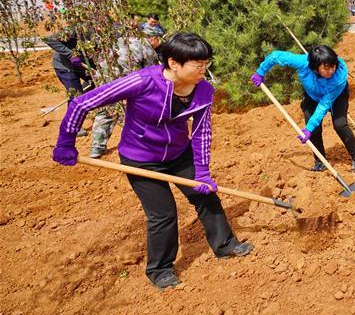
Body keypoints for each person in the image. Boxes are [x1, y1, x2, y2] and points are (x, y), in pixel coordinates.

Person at [51, 33, 253, 290]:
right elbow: (82, 103)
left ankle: (225, 244)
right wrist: (65, 141)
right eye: (198, 64)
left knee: (205, 195)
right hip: (140, 159)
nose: (204, 70)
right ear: (174, 63)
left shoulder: (203, 90)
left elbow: (202, 132)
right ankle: (160, 270)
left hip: (179, 152)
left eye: (206, 63)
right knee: (163, 213)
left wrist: (202, 172)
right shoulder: (143, 81)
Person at [251, 44, 355, 176]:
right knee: (314, 130)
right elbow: (276, 56)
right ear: (315, 67)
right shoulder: (302, 62)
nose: (331, 71)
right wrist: (261, 71)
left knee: (340, 125)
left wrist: (308, 128)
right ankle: (320, 161)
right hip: (312, 95)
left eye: (333, 66)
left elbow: (323, 105)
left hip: (336, 96)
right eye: (326, 68)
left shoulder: (337, 79)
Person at [89, 20, 160, 158]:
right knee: (139, 112)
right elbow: (151, 70)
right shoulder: (144, 44)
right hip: (129, 83)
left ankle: (96, 148)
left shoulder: (113, 42)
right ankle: (140, 145)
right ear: (152, 37)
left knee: (106, 111)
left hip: (106, 79)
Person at [45, 27, 93, 101]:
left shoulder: (108, 30)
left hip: (84, 66)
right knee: (77, 98)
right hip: (65, 67)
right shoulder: (78, 28)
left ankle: (87, 101)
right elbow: (50, 39)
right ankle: (78, 105)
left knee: (100, 83)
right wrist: (71, 55)